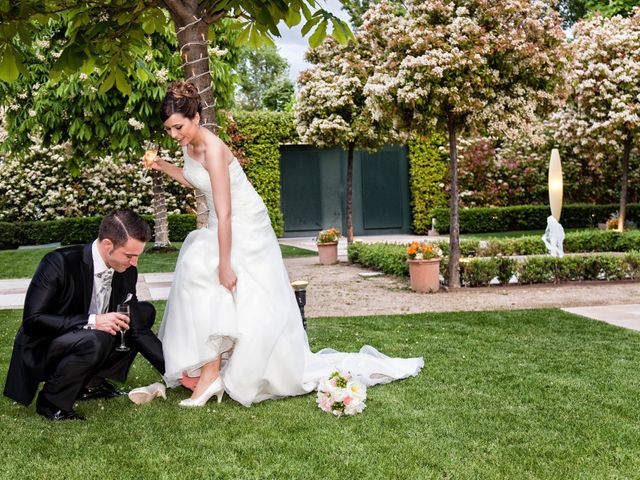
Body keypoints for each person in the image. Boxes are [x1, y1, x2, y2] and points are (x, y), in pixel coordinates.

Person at [153, 81, 423, 408]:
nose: (174, 135)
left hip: (243, 224)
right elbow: (196, 180)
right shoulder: (188, 145)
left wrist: (225, 264)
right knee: (201, 279)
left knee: (229, 287)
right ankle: (212, 372)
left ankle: (216, 374)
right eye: (169, 130)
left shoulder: (212, 147)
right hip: (221, 223)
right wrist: (161, 165)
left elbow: (225, 213)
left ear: (196, 117)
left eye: (178, 127)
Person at [3, 210, 165, 420]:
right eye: (129, 255)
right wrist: (93, 321)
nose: (134, 262)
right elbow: (33, 322)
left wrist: (176, 372)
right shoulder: (59, 262)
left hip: (90, 338)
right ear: (108, 245)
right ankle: (51, 403)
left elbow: (139, 330)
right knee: (98, 337)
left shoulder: (127, 271)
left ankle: (91, 385)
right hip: (46, 346)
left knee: (143, 313)